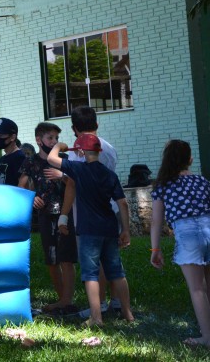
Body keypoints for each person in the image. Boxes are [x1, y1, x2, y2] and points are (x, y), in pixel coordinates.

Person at [48, 134, 134, 327]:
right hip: (110, 228)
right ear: (98, 151)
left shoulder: (78, 169)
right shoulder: (110, 174)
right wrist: (126, 229)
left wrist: (60, 146)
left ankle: (96, 317)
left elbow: (51, 159)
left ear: (80, 152)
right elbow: (122, 203)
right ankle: (128, 314)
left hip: (88, 230)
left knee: (90, 274)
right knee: (117, 272)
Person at [48, 105, 120, 316]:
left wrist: (63, 215)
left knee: (93, 261)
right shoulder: (109, 148)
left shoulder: (78, 152)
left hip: (88, 215)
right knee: (112, 260)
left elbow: (72, 184)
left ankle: (100, 305)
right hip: (110, 209)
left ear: (74, 129)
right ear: (96, 124)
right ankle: (117, 303)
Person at [150, 140, 210, 347]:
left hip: (187, 234)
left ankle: (207, 337)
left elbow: (157, 221)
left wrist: (155, 249)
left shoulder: (162, 186)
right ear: (190, 159)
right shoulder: (202, 181)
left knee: (197, 289)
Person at [19, 122, 78, 315]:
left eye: (56, 138)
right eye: (50, 138)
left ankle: (67, 300)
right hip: (45, 215)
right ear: (39, 140)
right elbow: (22, 186)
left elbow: (74, 182)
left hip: (64, 213)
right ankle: (62, 299)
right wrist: (31, 198)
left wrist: (62, 175)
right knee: (51, 259)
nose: (54, 142)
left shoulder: (63, 159)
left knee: (66, 258)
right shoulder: (30, 162)